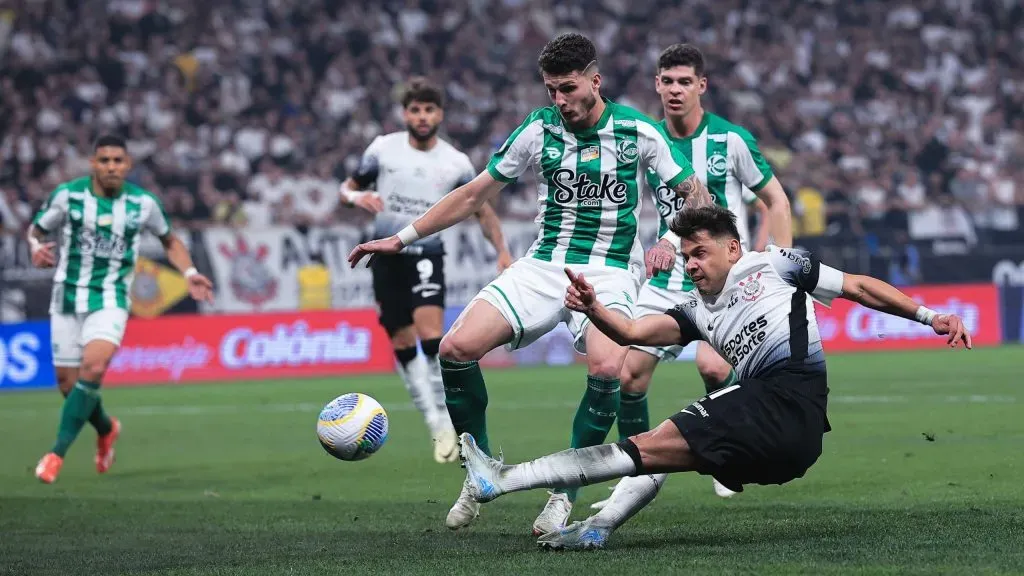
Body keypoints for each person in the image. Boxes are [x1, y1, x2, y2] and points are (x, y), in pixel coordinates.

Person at [347, 33, 708, 535]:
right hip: (542, 265)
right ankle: (478, 471)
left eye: (568, 88)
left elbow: (697, 194)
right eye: (551, 90)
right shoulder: (538, 129)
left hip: (608, 270)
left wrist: (669, 238)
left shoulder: (638, 131)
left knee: (608, 367)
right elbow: (473, 194)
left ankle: (564, 493)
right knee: (454, 348)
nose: (559, 100)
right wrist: (401, 238)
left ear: (595, 81)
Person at [454, 205, 972, 550]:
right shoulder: (694, 311)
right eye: (685, 256)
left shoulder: (776, 264)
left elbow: (858, 286)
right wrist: (593, 308)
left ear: (733, 248)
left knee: (649, 443)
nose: (691, 264)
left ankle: (500, 479)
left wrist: (930, 316)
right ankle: (596, 529)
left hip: (785, 402)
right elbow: (632, 330)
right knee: (659, 451)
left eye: (700, 253)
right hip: (780, 440)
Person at [593, 43, 792, 505]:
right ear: (656, 85)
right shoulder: (645, 139)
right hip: (667, 279)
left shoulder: (730, 140)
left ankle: (725, 457)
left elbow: (776, 200)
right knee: (628, 376)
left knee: (713, 366)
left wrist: (776, 265)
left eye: (685, 81)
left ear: (702, 85)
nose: (675, 90)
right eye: (667, 81)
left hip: (724, 280)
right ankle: (637, 476)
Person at [341, 77, 513, 465]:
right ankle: (434, 420)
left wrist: (502, 250)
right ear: (405, 114)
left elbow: (482, 210)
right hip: (384, 257)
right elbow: (346, 188)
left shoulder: (455, 162)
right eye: (415, 110)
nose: (422, 116)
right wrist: (356, 196)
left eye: (429, 110)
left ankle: (448, 421)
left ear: (440, 115)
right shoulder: (382, 149)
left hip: (426, 254)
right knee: (402, 342)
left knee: (431, 335)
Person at [29, 134, 215, 484]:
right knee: (69, 386)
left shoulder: (143, 203)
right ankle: (106, 428)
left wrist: (190, 272)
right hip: (67, 297)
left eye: (118, 161)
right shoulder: (68, 196)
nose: (111, 167)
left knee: (94, 367)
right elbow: (36, 230)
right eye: (105, 160)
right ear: (93, 164)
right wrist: (35, 247)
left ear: (128, 165)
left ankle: (56, 454)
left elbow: (170, 240)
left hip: (111, 298)